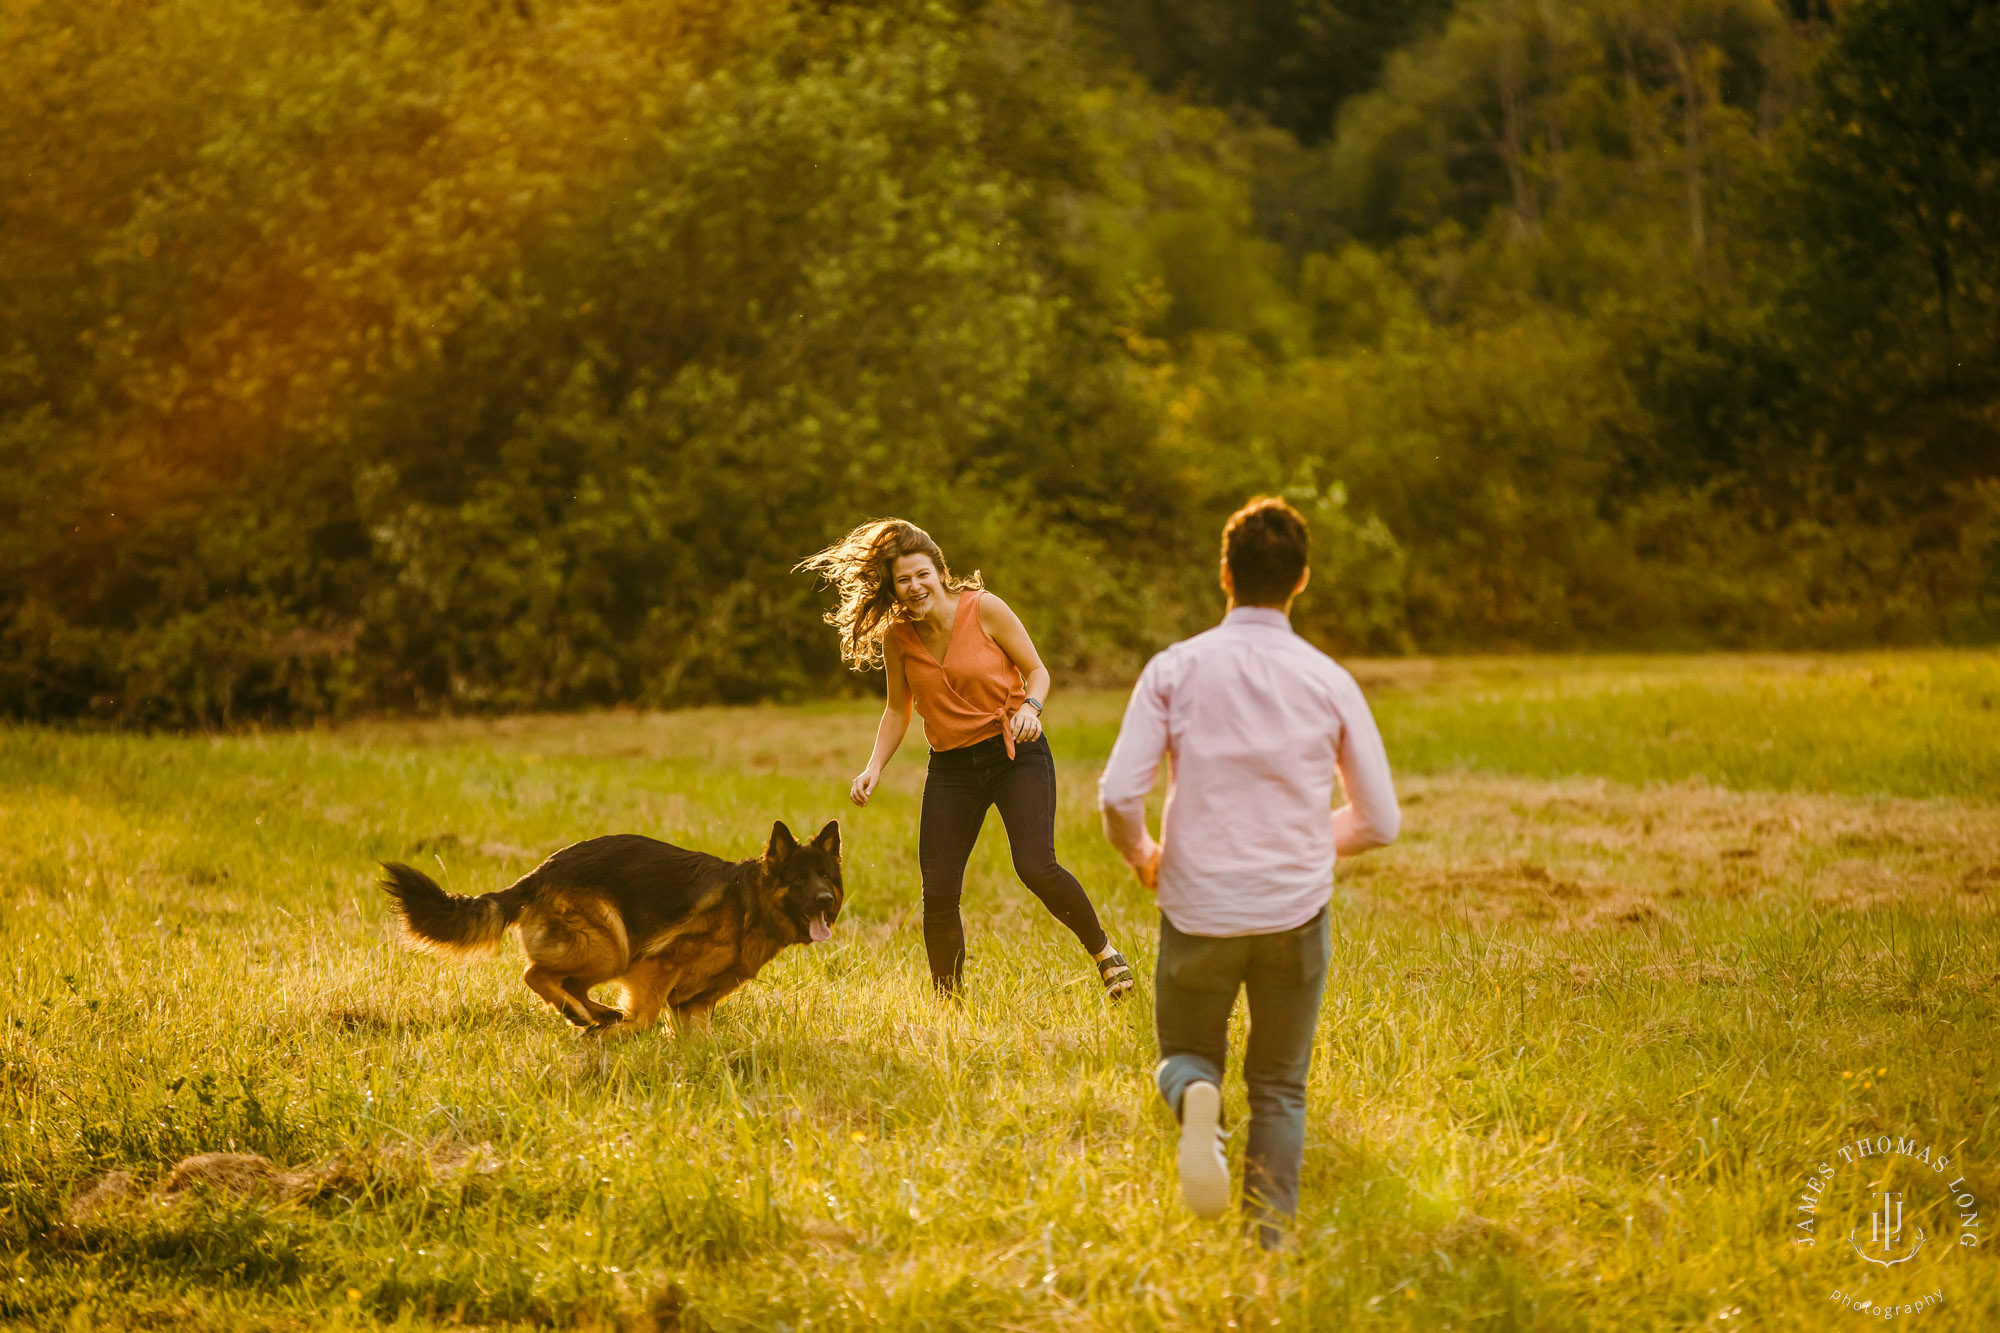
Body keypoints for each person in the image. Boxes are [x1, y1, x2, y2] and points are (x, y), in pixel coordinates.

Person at [1097, 496, 1400, 1249]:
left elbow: (1116, 793)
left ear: (1223, 573)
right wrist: (1300, 841)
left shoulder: (1175, 668)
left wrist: (1145, 856)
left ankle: (1196, 1094)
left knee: (1187, 1055)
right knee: (1278, 1086)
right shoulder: (1329, 679)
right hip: (1292, 916)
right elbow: (1379, 820)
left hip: (1197, 907)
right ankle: (1269, 1239)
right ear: (1301, 581)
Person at [797, 518, 1134, 1000]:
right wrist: (873, 767)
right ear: (893, 588)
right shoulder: (899, 637)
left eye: (921, 575)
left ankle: (1105, 954)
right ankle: (949, 1002)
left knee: (1036, 865)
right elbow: (898, 708)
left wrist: (1030, 709)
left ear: (939, 571)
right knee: (937, 893)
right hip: (952, 766)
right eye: (903, 581)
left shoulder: (985, 609)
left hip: (1015, 752)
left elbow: (1037, 671)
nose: (914, 588)